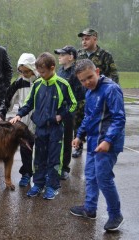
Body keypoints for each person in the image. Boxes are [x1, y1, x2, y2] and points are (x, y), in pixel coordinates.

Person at [10, 52, 77, 200]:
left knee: (54, 159)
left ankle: (52, 186)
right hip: (39, 128)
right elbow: (28, 103)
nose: (40, 75)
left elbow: (73, 104)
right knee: (38, 158)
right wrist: (19, 114)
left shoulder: (62, 84)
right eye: (38, 72)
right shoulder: (37, 85)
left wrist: (61, 115)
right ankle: (38, 184)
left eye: (43, 72)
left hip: (55, 129)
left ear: (52, 68)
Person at [70, 59, 125, 232]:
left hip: (108, 143)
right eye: (82, 80)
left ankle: (115, 214)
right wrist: (79, 135)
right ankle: (89, 208)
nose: (87, 82)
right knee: (91, 176)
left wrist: (108, 141)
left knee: (103, 177)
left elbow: (119, 119)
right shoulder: (89, 92)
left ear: (98, 71)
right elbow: (88, 116)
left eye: (89, 77)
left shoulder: (111, 89)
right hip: (94, 141)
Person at [74, 28, 119, 158]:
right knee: (79, 119)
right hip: (82, 95)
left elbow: (114, 75)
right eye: (82, 39)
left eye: (87, 38)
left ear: (95, 38)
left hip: (100, 95)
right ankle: (78, 145)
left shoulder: (105, 55)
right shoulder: (79, 54)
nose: (84, 41)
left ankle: (100, 144)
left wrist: (110, 93)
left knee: (98, 121)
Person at [0, 53, 39, 187]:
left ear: (33, 68)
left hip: (41, 122)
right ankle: (26, 173)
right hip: (24, 121)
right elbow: (7, 100)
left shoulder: (41, 81)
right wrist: (0, 114)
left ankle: (40, 177)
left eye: (26, 71)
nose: (24, 74)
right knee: (25, 149)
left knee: (41, 151)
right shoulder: (19, 83)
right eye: (21, 71)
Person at [54, 45, 86, 180]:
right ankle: (55, 165)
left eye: (62, 54)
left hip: (69, 111)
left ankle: (64, 168)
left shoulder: (76, 73)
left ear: (71, 57)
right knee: (56, 140)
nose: (59, 57)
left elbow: (80, 95)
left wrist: (70, 111)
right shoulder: (59, 71)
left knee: (67, 140)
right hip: (58, 111)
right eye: (59, 54)